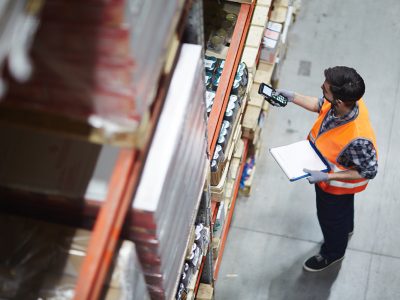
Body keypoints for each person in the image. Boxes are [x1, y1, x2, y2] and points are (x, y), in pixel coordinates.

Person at [271, 66, 378, 272]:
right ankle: (346, 229)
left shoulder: (358, 138)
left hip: (335, 188)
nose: (321, 88)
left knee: (330, 220)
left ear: (338, 101)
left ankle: (333, 253)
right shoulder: (347, 103)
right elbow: (321, 105)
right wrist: (293, 97)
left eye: (325, 89)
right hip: (333, 184)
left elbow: (369, 171)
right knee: (343, 215)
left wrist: (327, 176)